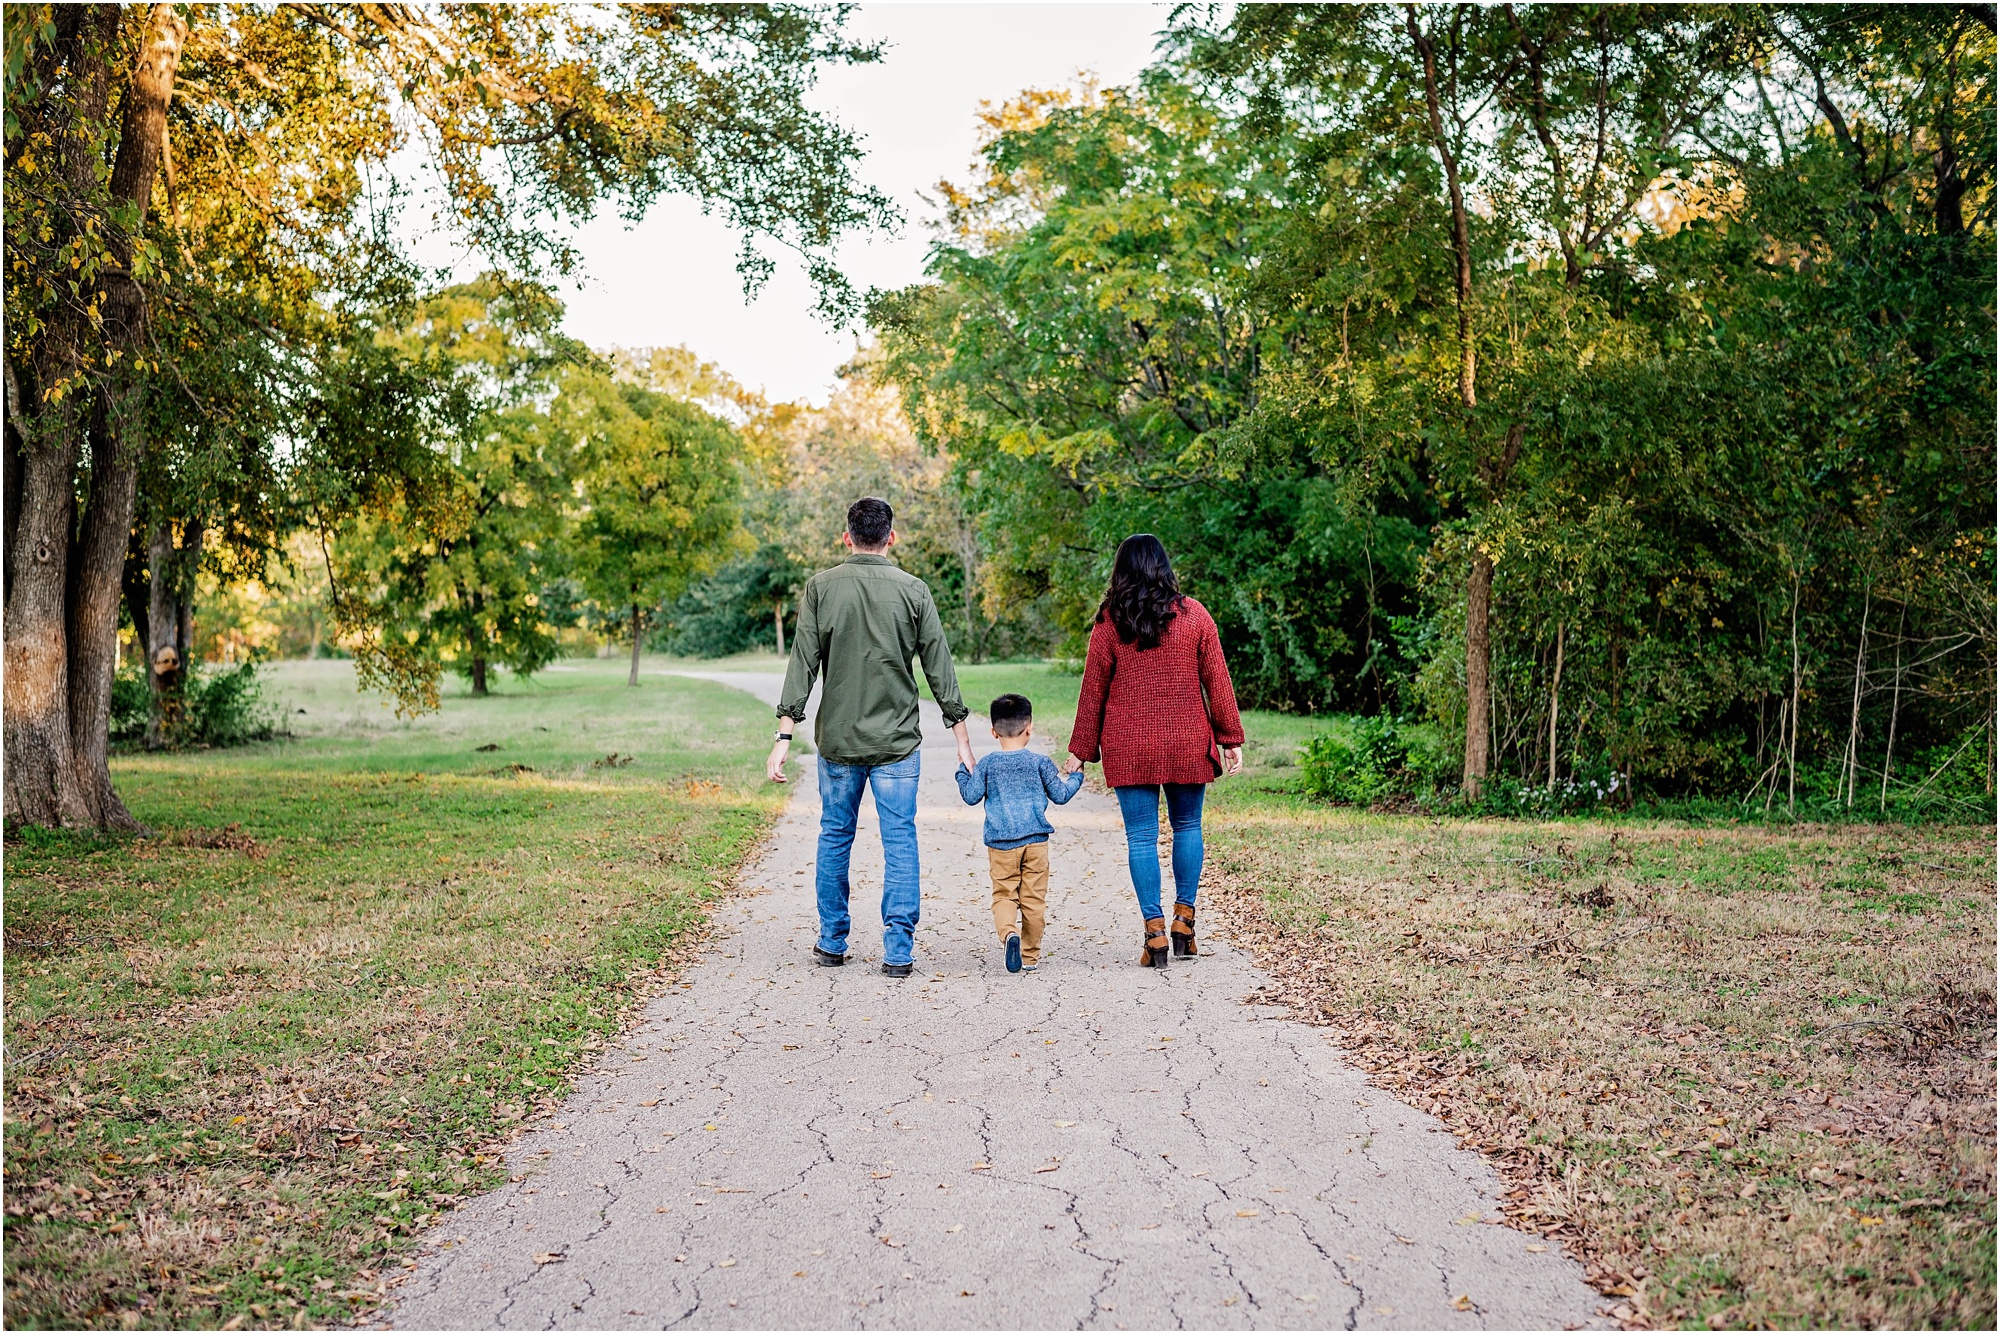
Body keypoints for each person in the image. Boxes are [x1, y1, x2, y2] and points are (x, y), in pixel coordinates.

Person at [768, 497, 977, 978]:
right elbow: (939, 667)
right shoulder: (914, 590)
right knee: (899, 839)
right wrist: (962, 736)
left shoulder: (820, 588)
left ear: (847, 537)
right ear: (891, 537)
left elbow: (802, 663)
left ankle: (832, 940)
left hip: (838, 742)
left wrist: (785, 734)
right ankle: (898, 950)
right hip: (897, 743)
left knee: (835, 835)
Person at [1063, 535, 1243, 968]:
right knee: (1187, 826)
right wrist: (1230, 737)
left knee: (1141, 837)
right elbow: (1217, 681)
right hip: (1186, 739)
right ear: (1164, 566)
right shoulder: (1195, 615)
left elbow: (1093, 692)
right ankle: (1185, 921)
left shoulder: (1110, 621)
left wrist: (1079, 753)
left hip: (1129, 742)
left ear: (1120, 571)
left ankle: (1155, 934)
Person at [954, 693, 1085, 974]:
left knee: (1003, 895)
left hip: (1001, 844)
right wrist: (1076, 776)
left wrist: (962, 772)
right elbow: (1060, 795)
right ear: (1030, 728)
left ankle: (1009, 934)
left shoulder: (988, 764)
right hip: (1036, 843)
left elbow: (970, 796)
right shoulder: (1040, 763)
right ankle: (1030, 957)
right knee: (1034, 900)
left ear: (993, 732)